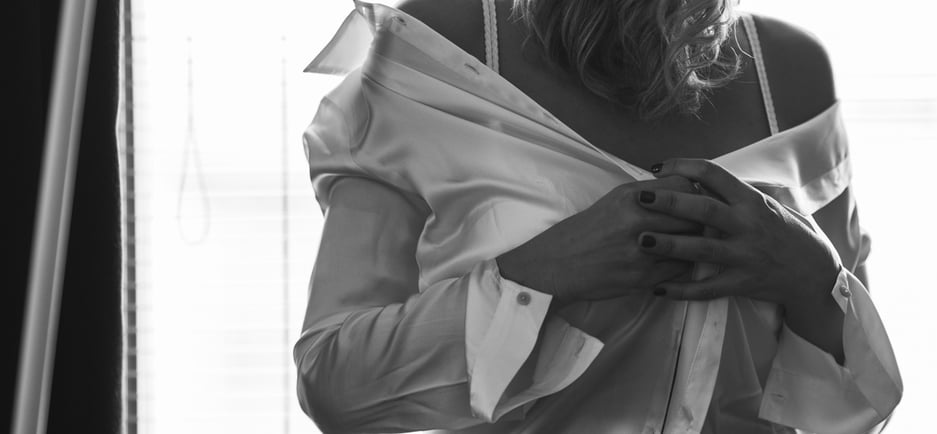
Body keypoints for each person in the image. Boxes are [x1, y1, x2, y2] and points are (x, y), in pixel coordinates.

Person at [295, 0, 903, 432]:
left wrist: (810, 278)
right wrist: (538, 277)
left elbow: (859, 407)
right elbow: (334, 384)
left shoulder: (793, 71)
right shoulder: (429, 50)